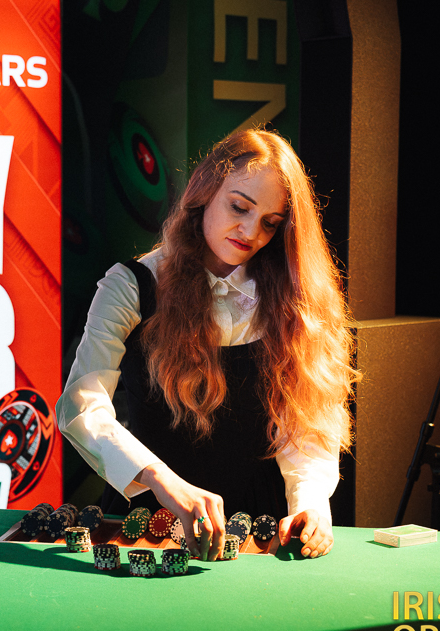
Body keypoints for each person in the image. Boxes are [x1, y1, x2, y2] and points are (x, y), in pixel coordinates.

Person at [56, 129, 358, 561]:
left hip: (259, 529)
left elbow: (307, 426)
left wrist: (310, 504)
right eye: (239, 207)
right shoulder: (130, 285)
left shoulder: (296, 298)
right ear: (205, 191)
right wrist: (163, 481)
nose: (251, 232)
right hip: (152, 518)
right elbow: (81, 407)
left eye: (271, 223)